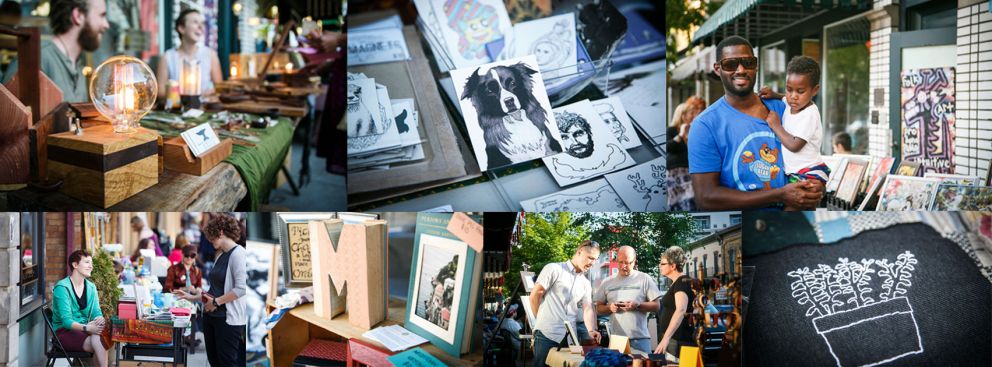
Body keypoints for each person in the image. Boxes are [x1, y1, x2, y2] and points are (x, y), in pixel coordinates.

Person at [688, 35, 824, 210]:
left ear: (757, 65)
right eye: (730, 64)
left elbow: (809, 157)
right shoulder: (705, 125)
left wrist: (816, 187)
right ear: (717, 68)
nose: (741, 70)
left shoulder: (784, 109)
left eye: (748, 62)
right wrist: (780, 194)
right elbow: (706, 198)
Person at [758, 56, 830, 210]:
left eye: (800, 91)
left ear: (815, 90)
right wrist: (774, 94)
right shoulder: (791, 103)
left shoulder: (809, 114)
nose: (793, 96)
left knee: (792, 210)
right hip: (797, 172)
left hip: (808, 173)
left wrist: (776, 126)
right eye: (789, 89)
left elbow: (795, 145)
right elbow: (784, 98)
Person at [174, 214, 247, 366]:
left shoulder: (238, 254)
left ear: (220, 232)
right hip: (212, 318)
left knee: (226, 362)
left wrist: (216, 302)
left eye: (211, 237)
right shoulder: (221, 255)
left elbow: (241, 288)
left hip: (227, 320)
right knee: (214, 362)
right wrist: (191, 297)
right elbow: (214, 290)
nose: (209, 240)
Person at [1, 0, 109, 101]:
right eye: (102, 15)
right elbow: (7, 113)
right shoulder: (35, 59)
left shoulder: (78, 64)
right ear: (78, 16)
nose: (106, 25)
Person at [530, 240, 603, 367]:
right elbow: (535, 294)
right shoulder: (554, 268)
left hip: (570, 339)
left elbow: (588, 308)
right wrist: (540, 319)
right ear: (579, 252)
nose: (593, 263)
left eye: (595, 259)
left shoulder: (585, 283)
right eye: (590, 258)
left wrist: (591, 329)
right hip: (547, 335)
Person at [594, 246, 661, 353]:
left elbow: (657, 306)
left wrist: (638, 305)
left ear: (634, 261)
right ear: (616, 260)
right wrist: (610, 307)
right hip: (617, 340)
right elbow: (598, 309)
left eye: (628, 262)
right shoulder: (607, 282)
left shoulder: (644, 278)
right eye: (621, 262)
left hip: (640, 339)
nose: (624, 266)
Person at [52, 250, 108, 367]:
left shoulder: (91, 287)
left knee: (100, 336)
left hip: (85, 330)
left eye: (91, 263)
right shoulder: (62, 288)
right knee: (101, 342)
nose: (91, 266)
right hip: (65, 332)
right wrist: (88, 328)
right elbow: (66, 322)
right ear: (75, 265)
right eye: (87, 262)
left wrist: (99, 318)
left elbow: (96, 311)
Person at [156, 8, 222, 99]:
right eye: (195, 22)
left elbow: (219, 89)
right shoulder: (167, 57)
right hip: (176, 111)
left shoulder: (210, 55)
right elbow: (160, 92)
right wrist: (187, 95)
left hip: (204, 110)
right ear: (182, 28)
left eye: (202, 23)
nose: (201, 27)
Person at [654, 246, 695, 358]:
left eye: (663, 264)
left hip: (677, 340)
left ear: (673, 266)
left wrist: (666, 338)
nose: (660, 266)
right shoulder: (677, 282)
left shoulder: (682, 281)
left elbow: (681, 310)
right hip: (673, 340)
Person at [667, 96, 706, 211]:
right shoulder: (672, 130)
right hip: (674, 171)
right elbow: (668, 147)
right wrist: (680, 135)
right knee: (675, 201)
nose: (694, 115)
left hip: (690, 170)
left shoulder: (694, 130)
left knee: (691, 198)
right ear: (683, 115)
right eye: (691, 113)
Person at [165, 245, 203, 352]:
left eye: (192, 256)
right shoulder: (173, 269)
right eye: (187, 256)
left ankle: (190, 335)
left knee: (200, 309)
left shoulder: (197, 271)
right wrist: (183, 288)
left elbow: (199, 287)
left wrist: (197, 290)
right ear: (182, 256)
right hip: (177, 298)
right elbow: (167, 288)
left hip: (192, 299)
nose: (189, 259)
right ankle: (186, 337)